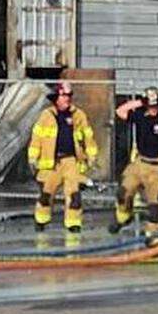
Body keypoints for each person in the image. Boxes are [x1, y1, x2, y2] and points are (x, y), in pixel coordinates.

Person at [111, 87, 158, 241]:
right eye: (150, 105)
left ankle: (154, 237)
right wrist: (139, 102)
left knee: (155, 206)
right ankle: (124, 216)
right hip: (140, 162)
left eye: (155, 105)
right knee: (123, 192)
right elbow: (120, 111)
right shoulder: (140, 115)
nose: (153, 109)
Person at [28, 81, 97, 232]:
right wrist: (33, 157)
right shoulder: (46, 116)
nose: (68, 98)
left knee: (74, 195)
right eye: (65, 95)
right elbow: (37, 138)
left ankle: (73, 223)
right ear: (57, 97)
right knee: (46, 194)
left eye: (70, 95)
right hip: (51, 164)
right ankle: (41, 220)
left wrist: (92, 156)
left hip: (71, 161)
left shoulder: (78, 115)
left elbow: (88, 137)